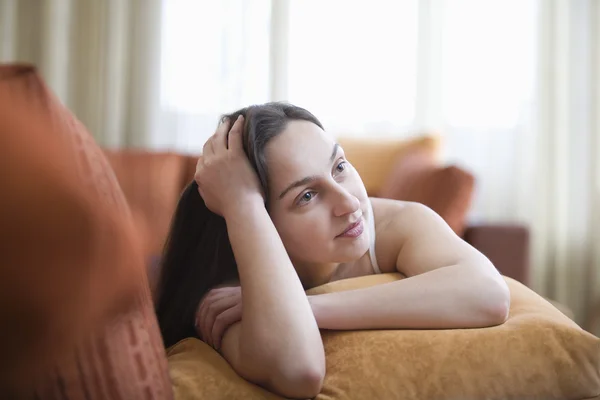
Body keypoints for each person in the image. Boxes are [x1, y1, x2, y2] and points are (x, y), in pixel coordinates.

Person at [154, 102, 510, 399]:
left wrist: (310, 307)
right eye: (306, 196)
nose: (349, 201)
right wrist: (243, 202)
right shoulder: (227, 288)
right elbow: (300, 370)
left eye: (339, 166)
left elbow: (489, 294)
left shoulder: (391, 224)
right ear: (261, 224)